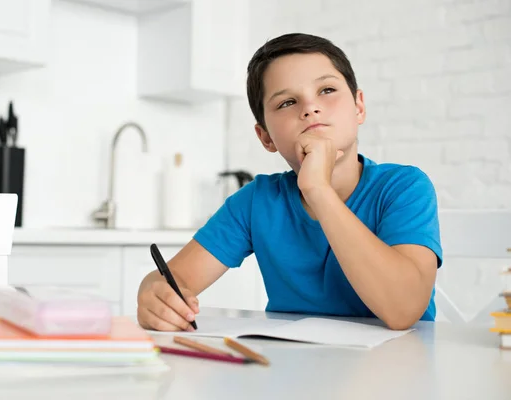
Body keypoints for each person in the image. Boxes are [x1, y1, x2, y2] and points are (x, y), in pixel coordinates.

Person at [137, 33, 442, 331]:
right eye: (287, 103)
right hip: (292, 370)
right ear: (266, 137)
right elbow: (173, 279)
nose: (310, 108)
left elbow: (403, 310)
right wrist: (153, 293)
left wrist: (318, 189)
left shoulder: (404, 187)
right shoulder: (256, 201)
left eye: (326, 90)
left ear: (359, 106)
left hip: (398, 369)